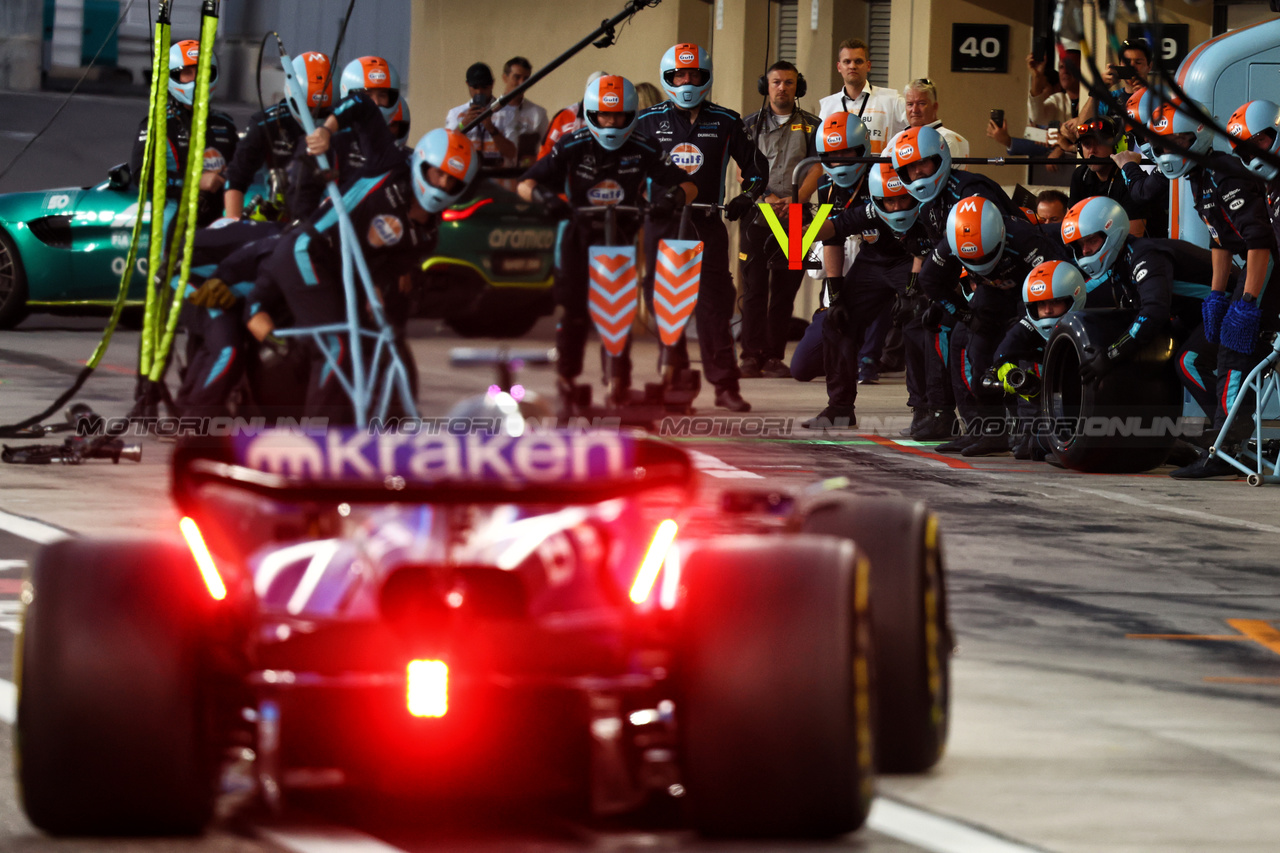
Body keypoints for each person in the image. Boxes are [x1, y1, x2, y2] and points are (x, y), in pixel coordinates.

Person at [246, 94, 479, 422]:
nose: (442, 184)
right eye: (437, 173)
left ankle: (360, 431)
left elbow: (382, 272)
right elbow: (363, 105)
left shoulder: (426, 238)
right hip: (307, 251)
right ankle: (318, 444)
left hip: (341, 275)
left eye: (453, 182)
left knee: (373, 346)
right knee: (336, 348)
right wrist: (327, 130)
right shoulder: (390, 163)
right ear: (421, 162)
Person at [518, 75, 697, 411]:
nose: (611, 123)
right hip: (577, 237)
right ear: (591, 114)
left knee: (617, 311)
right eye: (603, 116)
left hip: (620, 238)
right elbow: (525, 183)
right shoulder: (571, 145)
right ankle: (567, 381)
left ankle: (619, 383)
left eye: (618, 117)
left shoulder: (644, 147)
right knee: (573, 313)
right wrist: (545, 197)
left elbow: (689, 186)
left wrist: (670, 199)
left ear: (630, 116)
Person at [633, 43, 767, 413]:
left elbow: (757, 170)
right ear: (668, 78)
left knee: (715, 306)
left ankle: (725, 386)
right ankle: (676, 384)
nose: (687, 81)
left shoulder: (726, 121)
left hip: (706, 224)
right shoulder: (645, 122)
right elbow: (628, 168)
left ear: (705, 78)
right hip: (661, 225)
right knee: (665, 306)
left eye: (694, 75)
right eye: (680, 75)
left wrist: (748, 195)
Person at [1058, 196, 1234, 477]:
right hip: (1199, 316)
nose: (1086, 250)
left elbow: (1153, 314)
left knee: (1189, 361)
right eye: (1079, 246)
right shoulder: (1121, 265)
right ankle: (1169, 439)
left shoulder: (1144, 253)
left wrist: (1111, 355)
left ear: (1111, 230)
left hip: (1233, 308)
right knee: (1163, 357)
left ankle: (1228, 450)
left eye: (1091, 241)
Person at [917, 196, 1068, 456]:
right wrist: (963, 313)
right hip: (991, 292)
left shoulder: (1026, 240)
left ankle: (1035, 430)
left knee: (1025, 352)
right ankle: (989, 431)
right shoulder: (949, 245)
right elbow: (929, 278)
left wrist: (1027, 321)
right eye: (970, 257)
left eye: (983, 254)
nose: (978, 261)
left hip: (1034, 291)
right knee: (977, 354)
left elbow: (1058, 279)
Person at [800, 116, 915, 430]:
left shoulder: (889, 173)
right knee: (838, 321)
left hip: (911, 257)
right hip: (872, 259)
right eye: (832, 156)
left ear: (863, 149)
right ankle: (839, 407)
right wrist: (835, 292)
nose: (840, 162)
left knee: (922, 323)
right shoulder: (827, 186)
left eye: (848, 154)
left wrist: (917, 285)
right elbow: (832, 237)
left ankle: (929, 411)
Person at [740, 61, 822, 379]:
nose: (782, 88)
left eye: (788, 83)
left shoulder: (814, 126)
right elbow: (741, 170)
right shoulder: (750, 126)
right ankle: (750, 356)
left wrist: (796, 199)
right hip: (758, 213)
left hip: (798, 215)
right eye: (776, 82)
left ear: (797, 87)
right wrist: (766, 199)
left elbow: (818, 167)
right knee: (754, 288)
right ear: (766, 86)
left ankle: (774, 356)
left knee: (785, 289)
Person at [131, 39, 239, 229]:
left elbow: (242, 171)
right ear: (173, 77)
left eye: (202, 72)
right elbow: (142, 176)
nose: (196, 80)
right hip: (172, 221)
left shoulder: (225, 124)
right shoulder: (157, 122)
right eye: (187, 73)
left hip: (220, 222)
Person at [223, 51, 332, 222]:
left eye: (321, 111)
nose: (312, 116)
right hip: (282, 217)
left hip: (332, 217)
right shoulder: (266, 123)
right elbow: (237, 177)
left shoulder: (344, 122)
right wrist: (233, 225)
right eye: (307, 107)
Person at [817, 38, 906, 156]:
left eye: (858, 61)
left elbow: (918, 129)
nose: (852, 66)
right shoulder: (828, 106)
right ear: (839, 67)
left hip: (881, 172)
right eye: (847, 61)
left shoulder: (892, 100)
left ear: (868, 65)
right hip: (841, 172)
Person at [445, 62, 515, 168]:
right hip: (467, 175)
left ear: (492, 84)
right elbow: (447, 148)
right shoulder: (455, 113)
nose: (479, 91)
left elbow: (512, 154)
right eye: (475, 87)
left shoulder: (508, 112)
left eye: (484, 86)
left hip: (498, 177)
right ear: (467, 84)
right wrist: (463, 124)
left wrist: (492, 129)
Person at [491, 57, 548, 172]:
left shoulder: (538, 113)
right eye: (517, 77)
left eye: (526, 79)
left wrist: (536, 160)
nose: (521, 83)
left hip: (523, 178)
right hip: (492, 179)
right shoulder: (489, 112)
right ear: (504, 78)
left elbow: (549, 149)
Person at [537, 71, 607, 160]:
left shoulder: (617, 117)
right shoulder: (565, 115)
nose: (598, 94)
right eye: (594, 89)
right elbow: (546, 151)